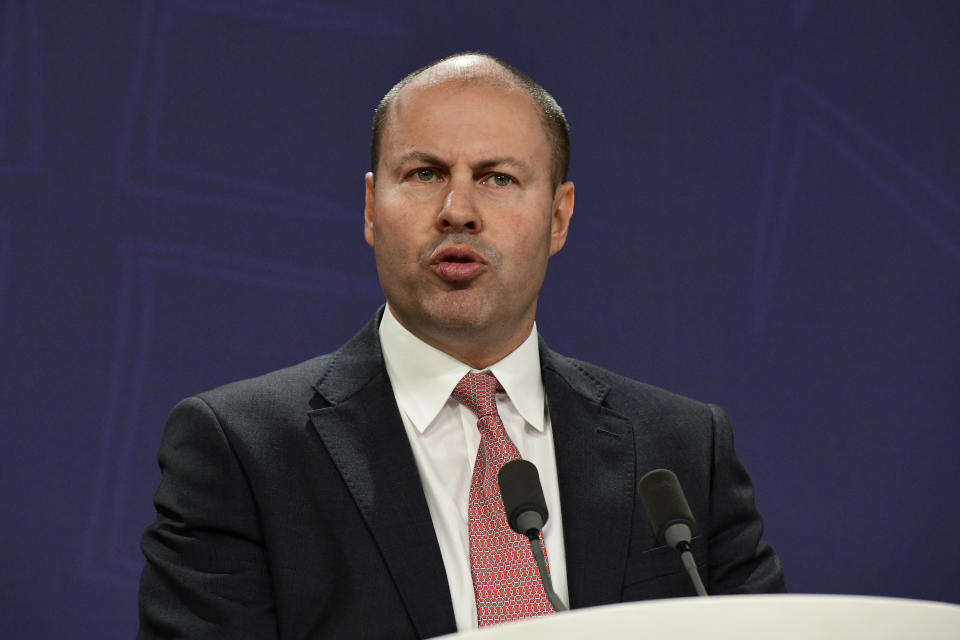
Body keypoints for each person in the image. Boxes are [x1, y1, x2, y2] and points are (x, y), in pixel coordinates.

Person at [137, 52, 785, 639]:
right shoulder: (245, 453)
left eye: (498, 178)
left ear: (559, 216)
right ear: (370, 206)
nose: (457, 210)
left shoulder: (681, 451)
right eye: (424, 173)